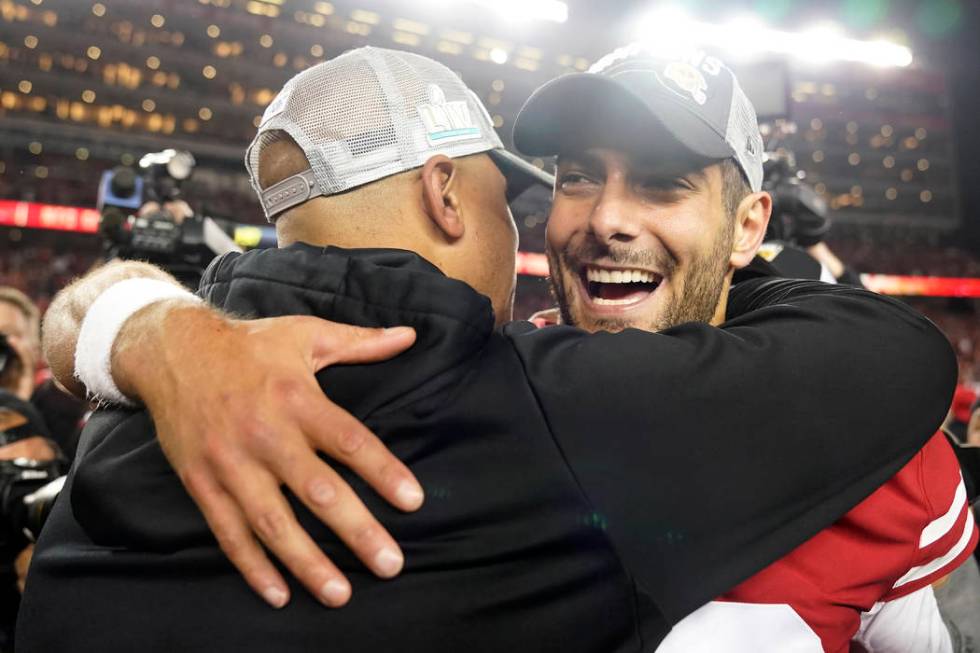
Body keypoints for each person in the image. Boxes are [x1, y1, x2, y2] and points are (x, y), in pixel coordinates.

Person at [18, 47, 957, 652]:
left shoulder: (142, 400)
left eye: (665, 184)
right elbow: (903, 355)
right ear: (446, 195)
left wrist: (136, 326)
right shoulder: (521, 395)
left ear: (750, 223)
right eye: (574, 180)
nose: (604, 219)